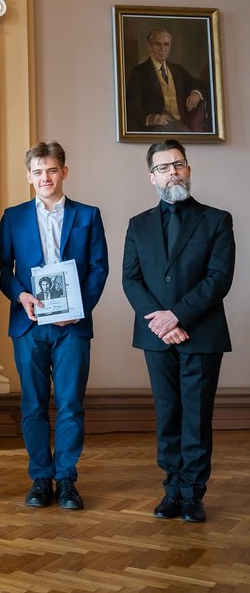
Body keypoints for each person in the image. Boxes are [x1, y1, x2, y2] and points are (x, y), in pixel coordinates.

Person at [122, 140, 234, 523]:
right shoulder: (137, 225)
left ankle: (193, 494)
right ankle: (171, 490)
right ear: (151, 176)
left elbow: (219, 279)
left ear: (188, 170)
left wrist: (178, 317)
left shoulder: (218, 220)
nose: (173, 171)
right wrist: (161, 319)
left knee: (196, 417)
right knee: (168, 414)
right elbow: (131, 280)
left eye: (179, 164)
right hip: (156, 336)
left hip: (201, 335)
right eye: (164, 166)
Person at [0, 141, 108, 511]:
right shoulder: (12, 217)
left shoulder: (88, 215)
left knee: (71, 404)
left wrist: (78, 308)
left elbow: (98, 268)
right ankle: (40, 478)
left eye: (51, 170)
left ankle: (67, 480)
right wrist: (21, 297)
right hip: (29, 325)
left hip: (72, 326)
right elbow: (2, 270)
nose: (45, 177)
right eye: (37, 172)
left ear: (64, 171)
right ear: (28, 177)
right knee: (32, 404)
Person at [127, 28, 208, 132]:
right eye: (157, 44)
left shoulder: (177, 70)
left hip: (180, 123)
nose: (162, 49)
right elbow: (131, 106)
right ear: (149, 46)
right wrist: (149, 118)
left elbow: (200, 84)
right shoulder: (139, 72)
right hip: (156, 127)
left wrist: (196, 93)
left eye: (166, 44)